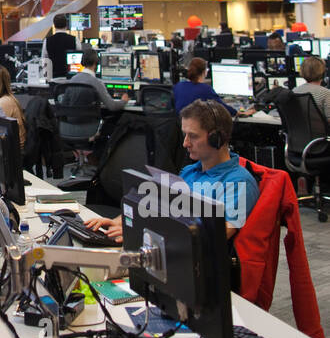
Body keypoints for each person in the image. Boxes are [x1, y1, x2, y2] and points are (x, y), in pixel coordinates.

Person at [85, 100, 259, 242]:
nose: (185, 143)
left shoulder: (238, 182)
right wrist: (120, 223)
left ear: (217, 138)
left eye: (193, 136)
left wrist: (140, 235)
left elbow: (215, 236)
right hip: (163, 250)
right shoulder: (190, 171)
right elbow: (156, 206)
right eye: (185, 135)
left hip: (193, 267)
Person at [61, 48, 126, 114]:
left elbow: (64, 104)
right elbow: (112, 106)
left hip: (70, 122)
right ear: (96, 63)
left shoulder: (73, 80)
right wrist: (123, 101)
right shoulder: (97, 83)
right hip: (90, 122)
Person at [294, 55, 330, 126]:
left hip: (300, 135)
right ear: (323, 73)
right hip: (321, 134)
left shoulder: (294, 91)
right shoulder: (326, 93)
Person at [43, 13, 77, 80]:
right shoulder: (74, 40)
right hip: (71, 79)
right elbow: (80, 58)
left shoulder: (47, 41)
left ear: (54, 25)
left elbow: (44, 60)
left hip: (54, 78)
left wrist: (46, 77)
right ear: (66, 25)